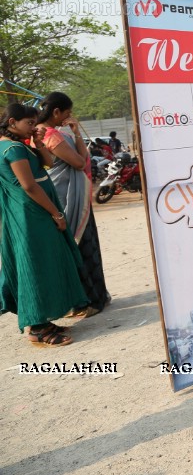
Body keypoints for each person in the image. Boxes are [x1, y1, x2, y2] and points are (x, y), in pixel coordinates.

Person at [0, 103, 89, 346]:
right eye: (29, 123)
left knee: (43, 263)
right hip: (32, 214)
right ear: (12, 123)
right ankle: (37, 327)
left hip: (33, 212)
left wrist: (38, 143)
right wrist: (56, 214)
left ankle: (42, 321)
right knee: (35, 267)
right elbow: (29, 186)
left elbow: (47, 163)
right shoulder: (12, 149)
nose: (33, 127)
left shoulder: (17, 145)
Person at [38, 92, 110, 316]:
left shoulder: (47, 133)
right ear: (56, 112)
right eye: (67, 113)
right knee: (80, 248)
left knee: (77, 248)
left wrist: (76, 133)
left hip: (67, 197)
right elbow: (80, 162)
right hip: (68, 199)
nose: (70, 117)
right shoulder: (50, 135)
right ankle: (89, 300)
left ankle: (87, 301)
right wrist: (74, 135)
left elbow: (83, 157)